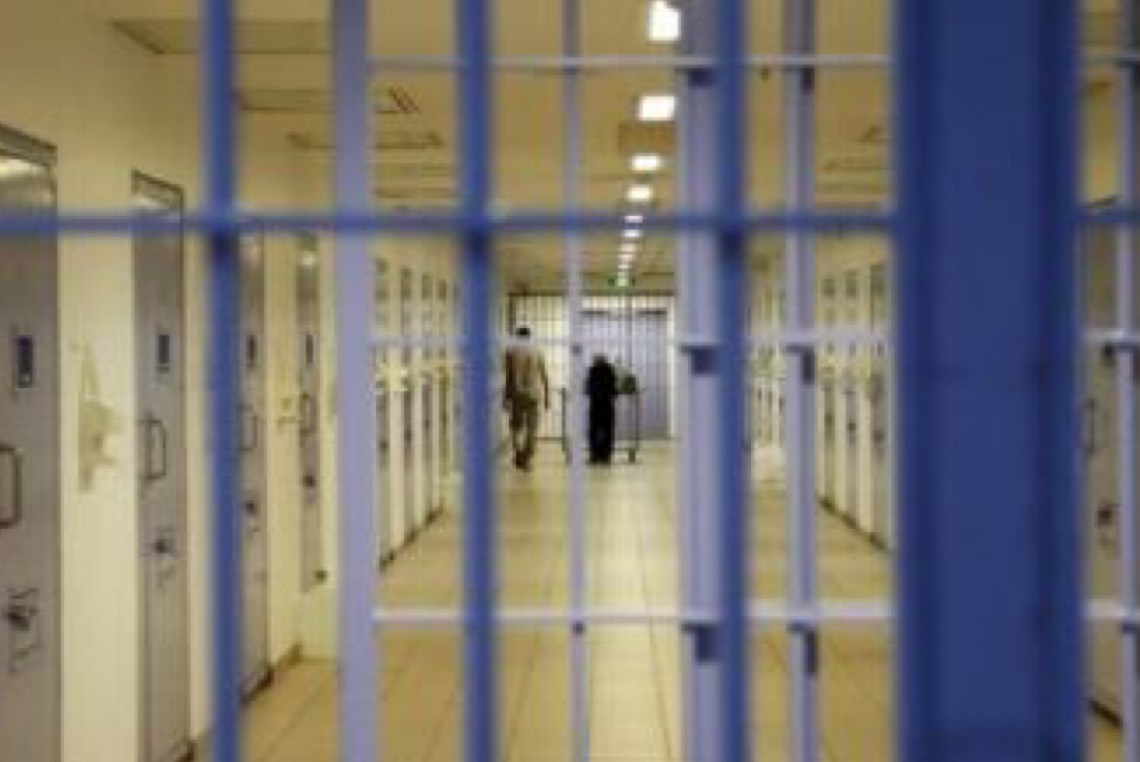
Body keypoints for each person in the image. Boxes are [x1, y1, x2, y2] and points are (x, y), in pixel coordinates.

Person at [503, 326, 549, 471]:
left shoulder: (510, 352)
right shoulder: (538, 351)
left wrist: (505, 397)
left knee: (516, 427)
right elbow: (544, 376)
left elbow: (508, 377)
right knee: (532, 428)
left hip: (517, 395)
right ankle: (526, 457)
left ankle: (518, 453)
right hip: (533, 395)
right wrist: (547, 396)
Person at [586, 353, 619, 465]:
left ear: (595, 361)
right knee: (608, 431)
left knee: (593, 431)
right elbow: (614, 391)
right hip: (607, 406)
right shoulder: (610, 371)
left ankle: (594, 455)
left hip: (595, 406)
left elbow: (588, 389)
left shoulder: (592, 371)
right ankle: (606, 456)